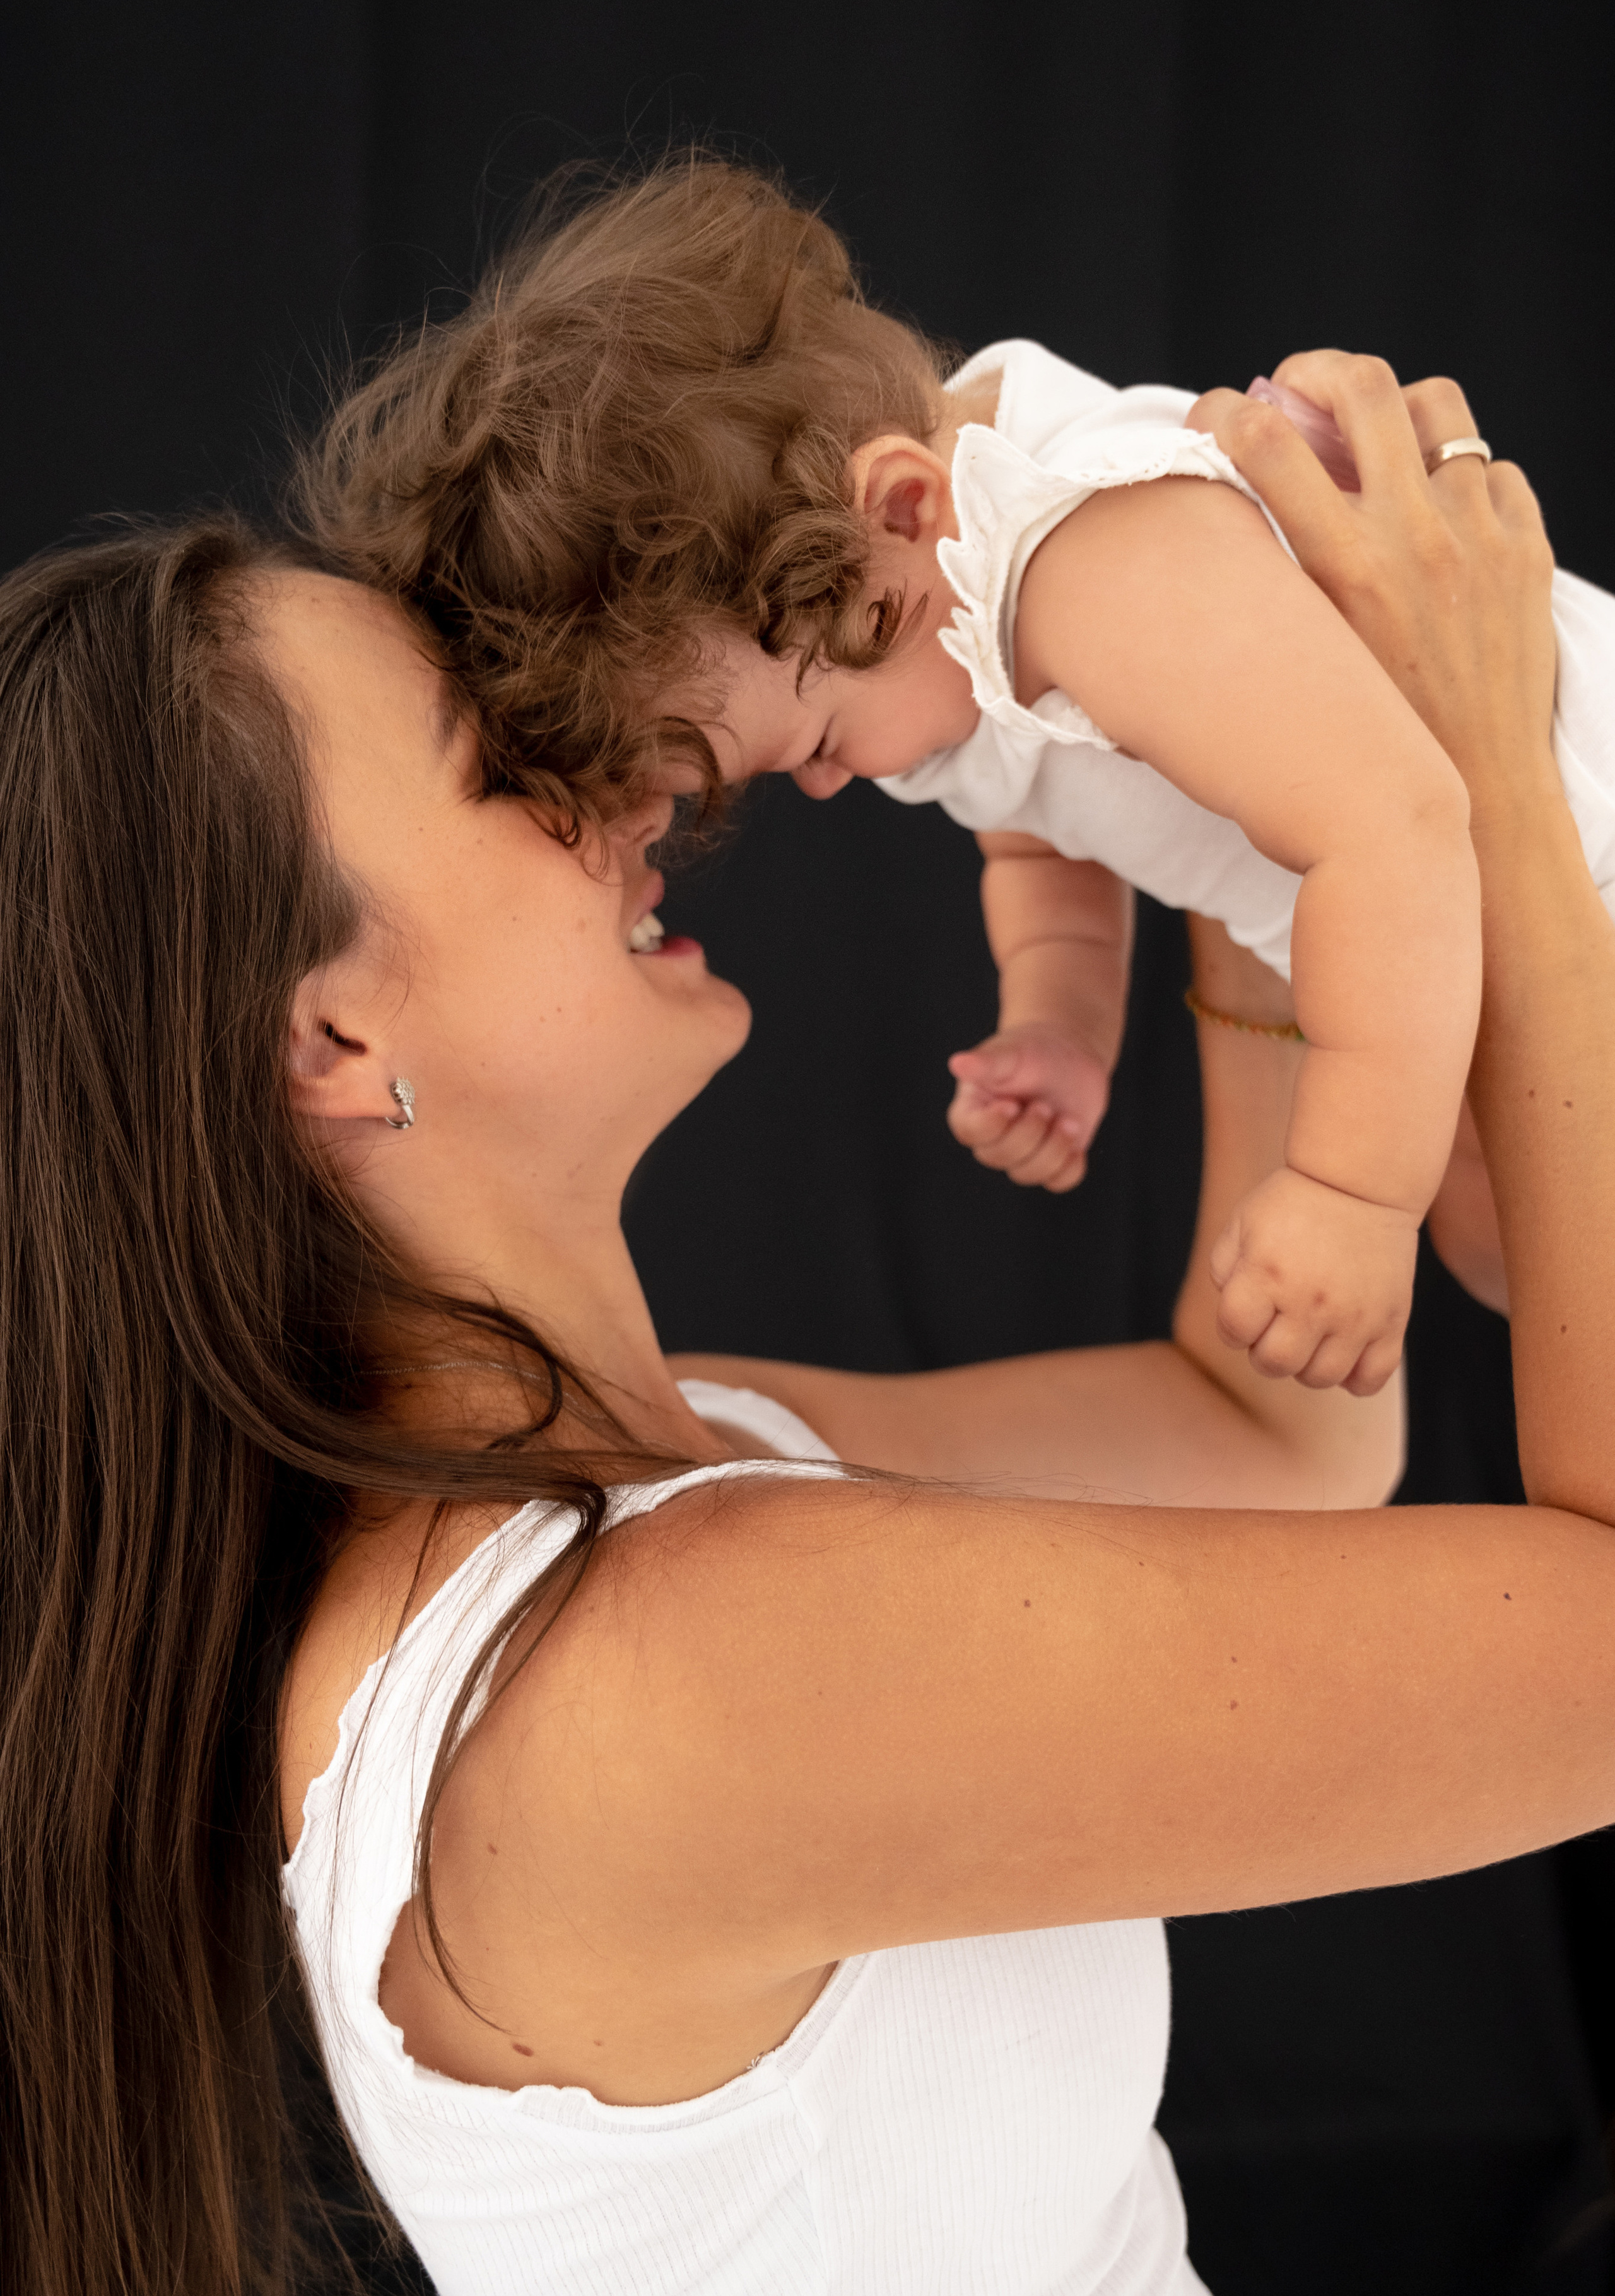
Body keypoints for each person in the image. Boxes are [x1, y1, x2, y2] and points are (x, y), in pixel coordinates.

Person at [1, 349, 1609, 2296]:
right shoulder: (663, 1665)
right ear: (326, 1047)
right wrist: (1478, 789)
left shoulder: (675, 1481)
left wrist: (1262, 789)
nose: (618, 764)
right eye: (503, 753)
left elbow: (1270, 1429)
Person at [303, 158, 1615, 1391]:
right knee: (1504, 1239)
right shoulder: (929, 625)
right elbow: (1043, 818)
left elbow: (1389, 827)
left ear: (901, 509)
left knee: (1489, 1228)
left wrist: (1343, 1193)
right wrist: (1059, 1014)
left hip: (1565, 844)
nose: (826, 788)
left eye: (815, 744)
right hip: (1475, 914)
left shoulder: (1088, 559)